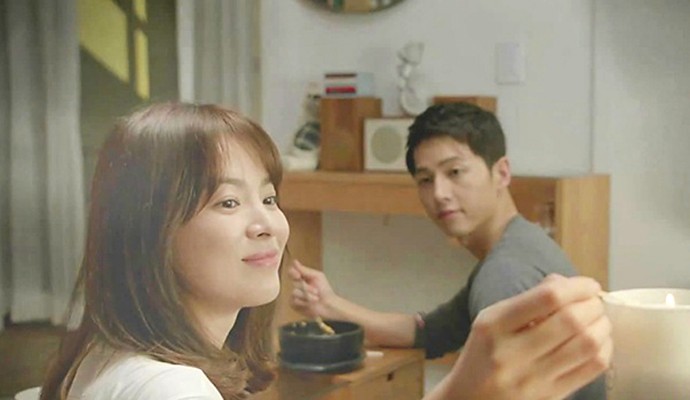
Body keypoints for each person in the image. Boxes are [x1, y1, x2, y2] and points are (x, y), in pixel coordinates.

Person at [289, 102, 607, 399]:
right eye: (425, 180)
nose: (439, 193)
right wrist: (329, 304)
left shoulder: (504, 275)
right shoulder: (520, 241)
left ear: (502, 173)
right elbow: (428, 333)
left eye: (454, 172)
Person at [41, 103, 290, 399]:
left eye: (269, 199)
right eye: (228, 202)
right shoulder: (172, 389)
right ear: (153, 231)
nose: (267, 226)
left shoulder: (105, 354)